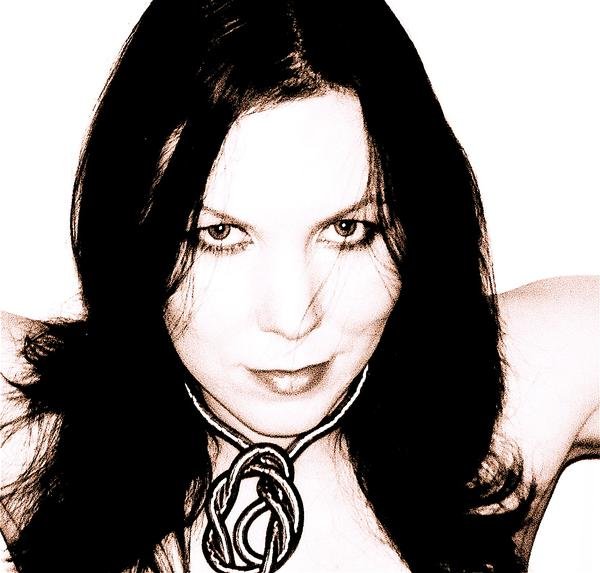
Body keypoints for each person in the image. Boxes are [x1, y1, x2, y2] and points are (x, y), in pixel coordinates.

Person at [0, 1, 597, 572]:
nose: (292, 318)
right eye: (218, 235)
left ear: (419, 227)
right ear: (129, 228)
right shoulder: (30, 428)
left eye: (347, 231)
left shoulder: (514, 392)